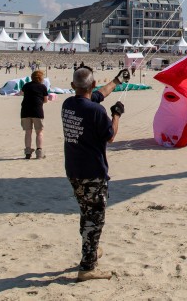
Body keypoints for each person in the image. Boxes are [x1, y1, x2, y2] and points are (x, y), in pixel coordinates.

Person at [62, 67, 127, 281]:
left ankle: (91, 249)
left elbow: (98, 95)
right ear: (91, 84)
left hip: (74, 170)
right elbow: (110, 136)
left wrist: (117, 81)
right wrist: (116, 114)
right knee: (95, 219)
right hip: (92, 172)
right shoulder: (95, 111)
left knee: (85, 212)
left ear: (74, 87)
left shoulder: (68, 104)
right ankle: (88, 267)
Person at [20, 70, 50, 159]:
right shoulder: (42, 87)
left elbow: (21, 93)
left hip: (25, 110)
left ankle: (28, 152)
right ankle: (39, 152)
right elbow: (45, 100)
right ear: (41, 78)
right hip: (37, 111)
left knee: (28, 132)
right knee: (39, 132)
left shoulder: (26, 85)